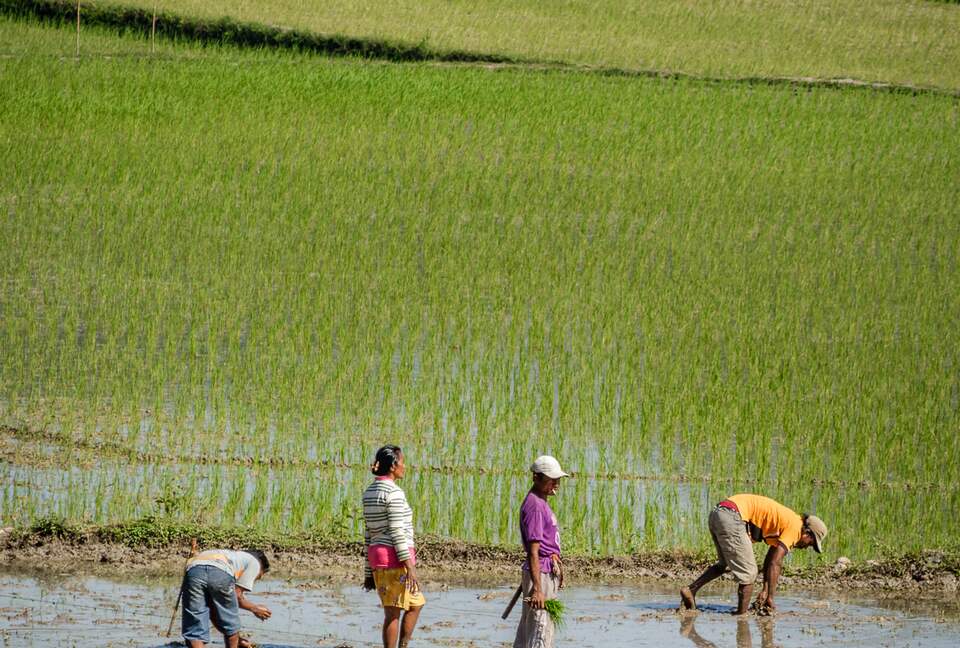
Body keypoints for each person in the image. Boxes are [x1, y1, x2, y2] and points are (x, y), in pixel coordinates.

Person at [680, 494, 828, 615]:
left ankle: (690, 590)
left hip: (719, 513)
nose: (807, 547)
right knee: (749, 573)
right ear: (807, 533)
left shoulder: (790, 521)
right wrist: (770, 598)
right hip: (733, 516)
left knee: (725, 564)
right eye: (811, 543)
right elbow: (776, 563)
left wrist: (765, 590)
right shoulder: (795, 528)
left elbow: (770, 559)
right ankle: (741, 617)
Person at [362, 445, 425, 648]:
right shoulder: (394, 493)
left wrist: (368, 572)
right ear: (393, 466)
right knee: (392, 613)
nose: (404, 466)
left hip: (379, 558)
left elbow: (368, 534)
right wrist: (410, 567)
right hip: (394, 560)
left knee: (416, 604)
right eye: (402, 462)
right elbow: (398, 533)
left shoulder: (369, 492)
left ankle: (403, 646)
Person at [513, 455, 569, 648]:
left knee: (531, 630)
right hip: (542, 573)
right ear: (536, 478)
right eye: (551, 479)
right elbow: (533, 551)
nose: (556, 484)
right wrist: (537, 588)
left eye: (557, 479)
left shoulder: (540, 501)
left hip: (543, 571)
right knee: (540, 631)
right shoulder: (536, 506)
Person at [181, 548, 271, 648]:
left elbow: (214, 613)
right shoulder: (255, 562)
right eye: (259, 576)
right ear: (261, 567)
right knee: (232, 624)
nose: (256, 579)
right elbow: (237, 596)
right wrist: (254, 608)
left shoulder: (230, 555)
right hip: (219, 572)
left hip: (193, 571)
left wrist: (238, 639)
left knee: (195, 630)